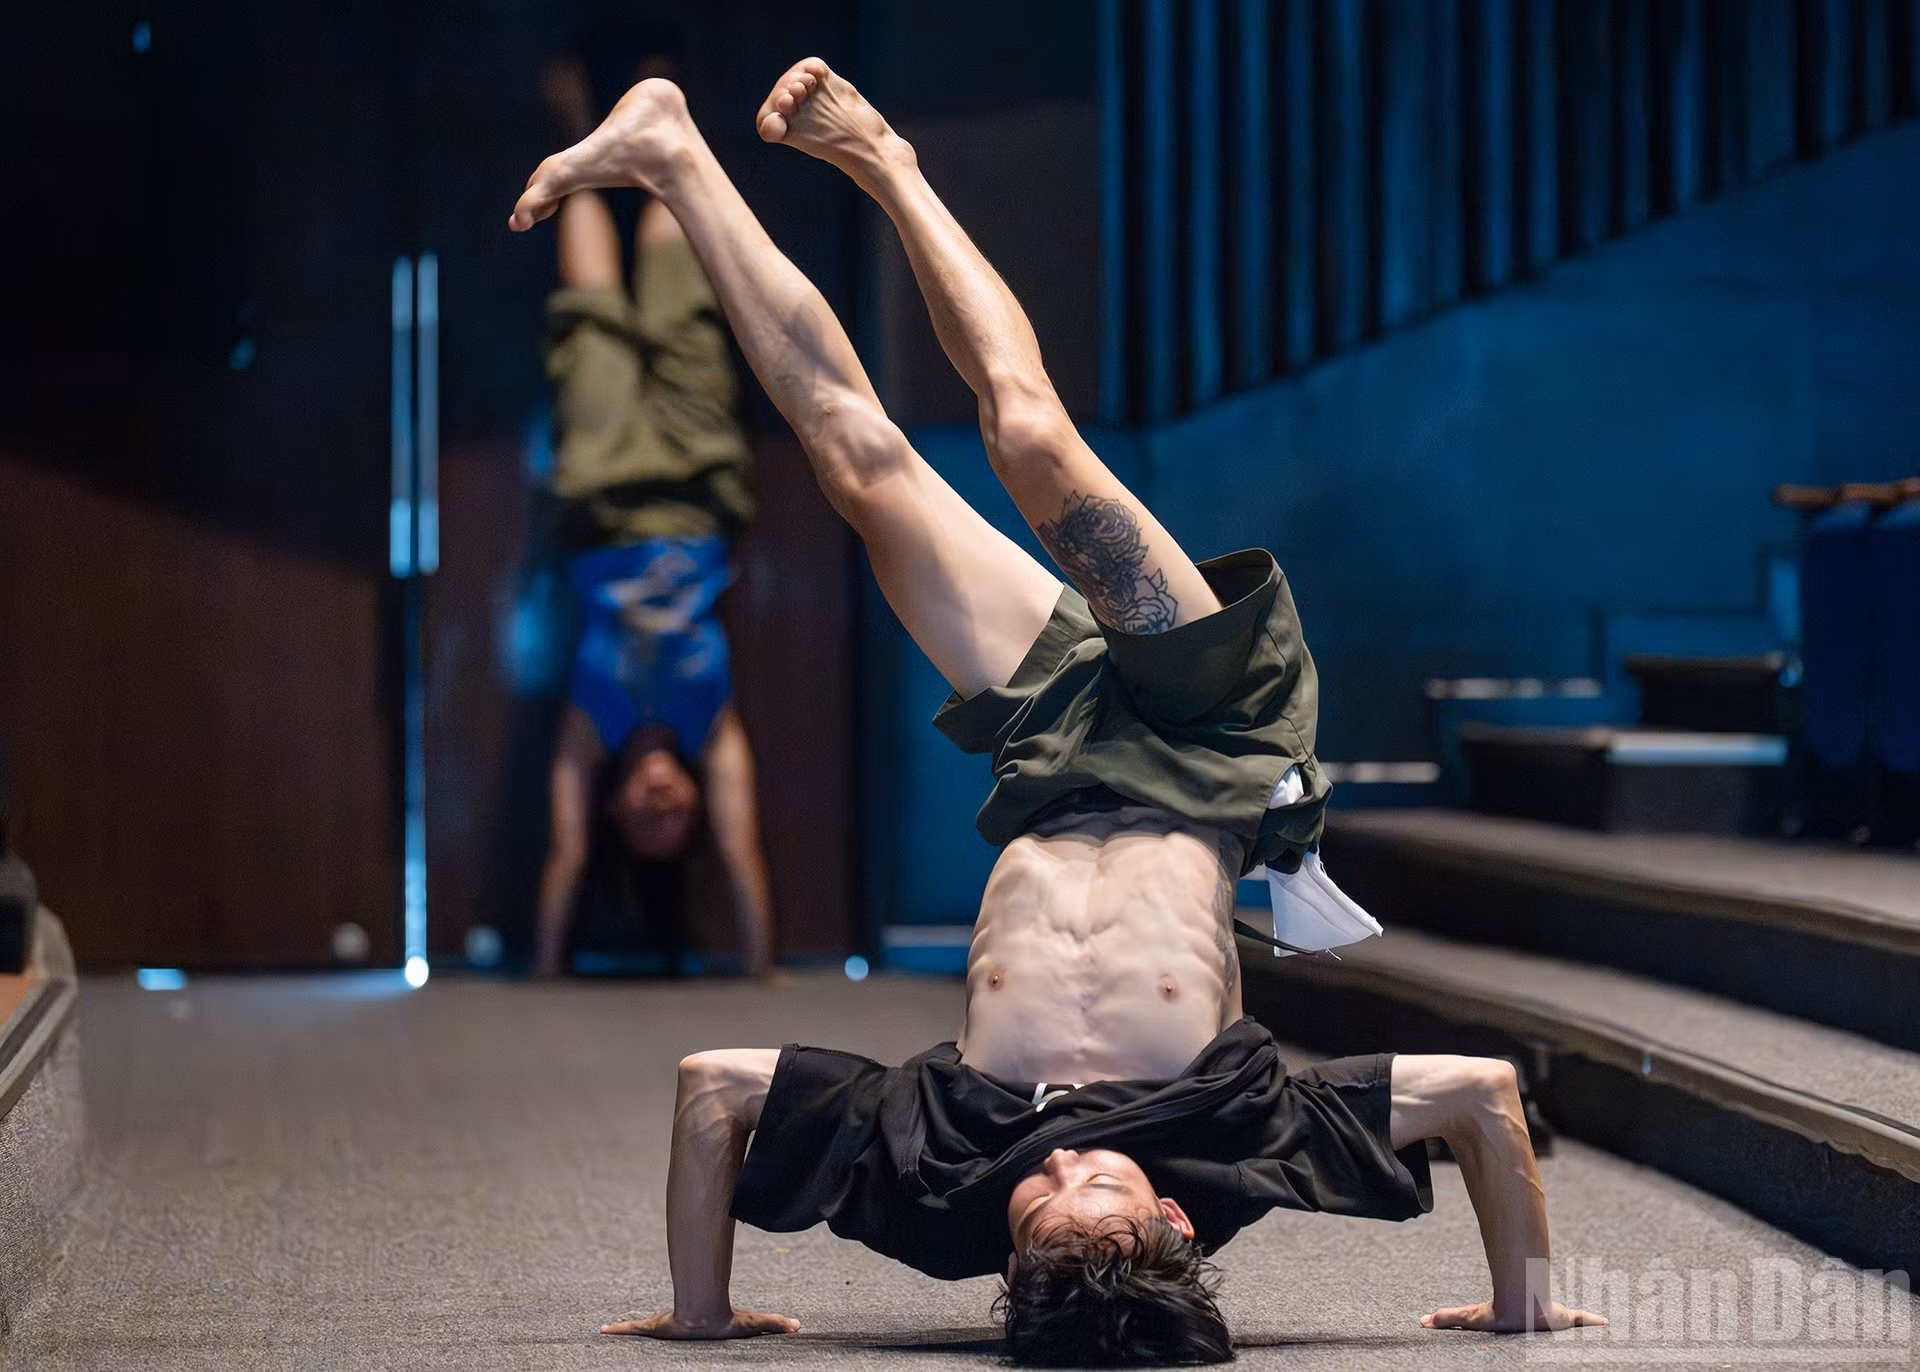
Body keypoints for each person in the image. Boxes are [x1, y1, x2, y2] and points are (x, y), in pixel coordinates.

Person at [508, 60, 1606, 1360]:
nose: (1062, 1171)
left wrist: (702, 1306)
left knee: (858, 464)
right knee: (1027, 436)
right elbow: (1482, 1098)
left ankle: (674, 154)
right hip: (1215, 738)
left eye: (1036, 1212)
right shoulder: (1243, 1140)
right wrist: (1524, 1297)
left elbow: (716, 1091)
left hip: (1055, 744)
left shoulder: (940, 1168)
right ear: (1178, 1227)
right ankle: (886, 160)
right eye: (1101, 1196)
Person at [530, 56, 775, 980]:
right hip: (696, 481)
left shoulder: (591, 722)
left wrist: (545, 973)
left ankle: (577, 127)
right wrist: (763, 970)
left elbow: (564, 858)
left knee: (590, 319)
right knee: (684, 314)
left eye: (648, 817)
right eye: (680, 816)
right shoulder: (712, 724)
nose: (665, 801)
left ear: (615, 807)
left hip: (601, 489)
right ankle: (659, 117)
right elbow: (745, 857)